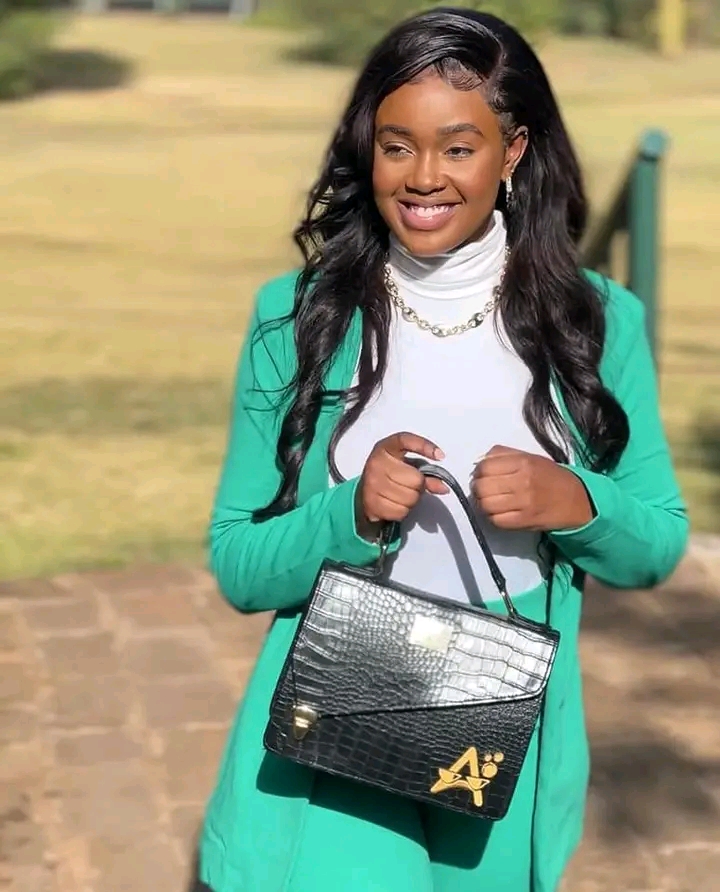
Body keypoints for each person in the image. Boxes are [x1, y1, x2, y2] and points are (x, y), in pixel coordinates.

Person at [197, 7, 688, 892]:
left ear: (513, 152)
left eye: (458, 148)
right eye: (397, 147)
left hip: (503, 721)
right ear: (368, 150)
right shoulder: (296, 317)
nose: (424, 177)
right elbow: (239, 563)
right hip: (340, 700)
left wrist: (578, 503)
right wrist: (347, 514)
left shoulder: (598, 321)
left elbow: (655, 545)